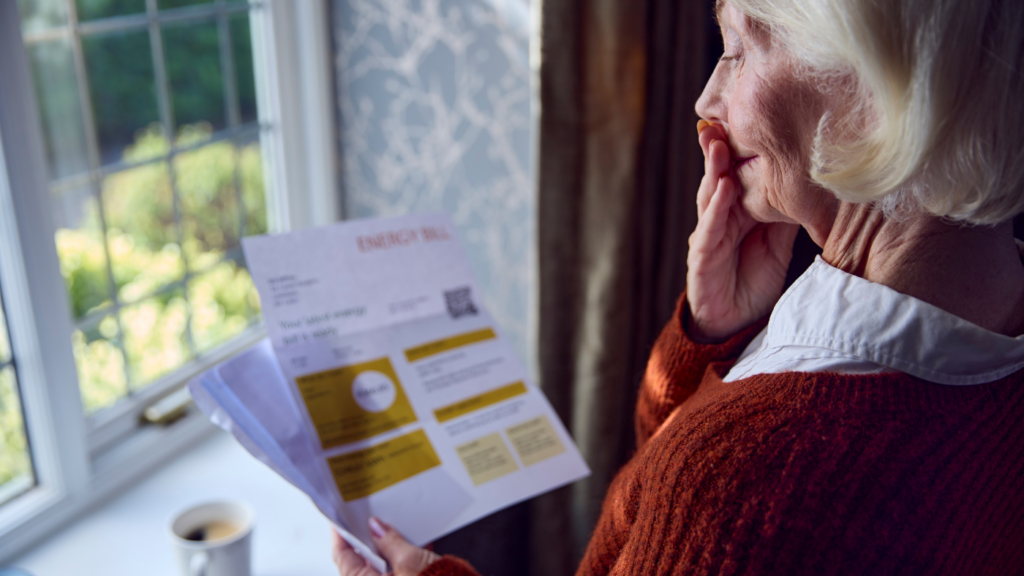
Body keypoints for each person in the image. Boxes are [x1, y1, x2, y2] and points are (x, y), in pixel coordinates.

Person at [333, 0, 1024, 573]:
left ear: (870, 78)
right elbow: (659, 489)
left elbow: (694, 487)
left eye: (738, 48)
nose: (706, 99)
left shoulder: (743, 487)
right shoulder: (984, 304)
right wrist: (711, 333)